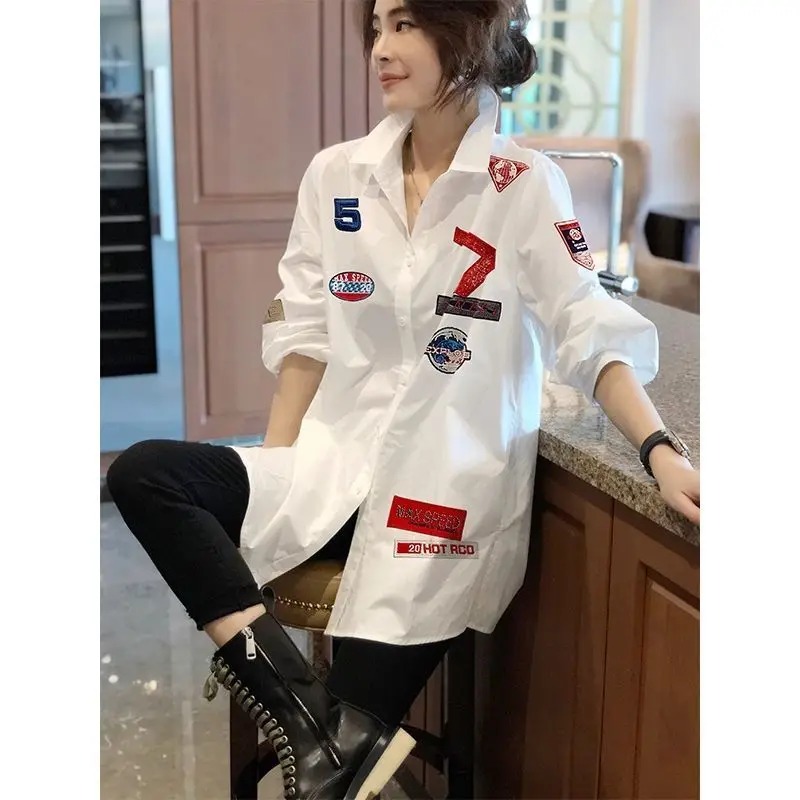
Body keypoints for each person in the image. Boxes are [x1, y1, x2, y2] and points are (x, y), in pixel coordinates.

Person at [107, 1, 701, 798]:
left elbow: (588, 328)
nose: (381, 48)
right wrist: (281, 474)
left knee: (327, 785)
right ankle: (307, 718)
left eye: (407, 24)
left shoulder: (524, 185)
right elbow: (306, 335)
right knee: (145, 474)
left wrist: (659, 450)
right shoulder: (337, 175)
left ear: (470, 33)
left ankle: (325, 740)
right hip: (334, 466)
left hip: (440, 504)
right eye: (379, 25)